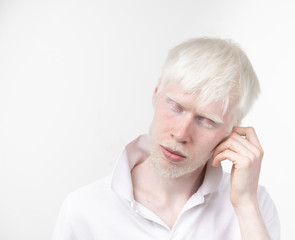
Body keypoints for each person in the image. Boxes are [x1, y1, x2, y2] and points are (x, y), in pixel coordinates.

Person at [52, 37, 280, 240]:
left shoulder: (254, 204)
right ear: (156, 94)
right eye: (175, 107)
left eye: (207, 121)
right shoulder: (83, 209)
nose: (181, 134)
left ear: (231, 131)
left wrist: (246, 206)